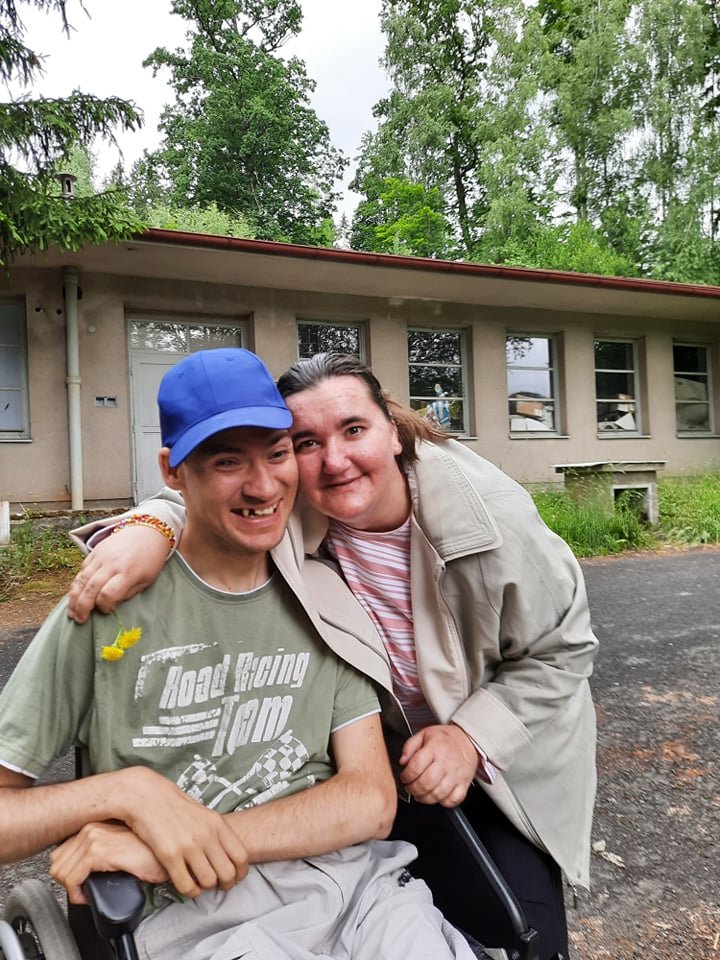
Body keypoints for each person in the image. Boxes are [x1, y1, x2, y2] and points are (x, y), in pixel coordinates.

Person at [69, 352, 599, 960]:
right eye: (306, 442)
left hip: (502, 757)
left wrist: (470, 738)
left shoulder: (494, 520)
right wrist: (151, 526)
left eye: (353, 429)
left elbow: (562, 650)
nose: (335, 460)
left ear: (392, 431)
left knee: (530, 936)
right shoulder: (295, 502)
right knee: (402, 899)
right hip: (382, 753)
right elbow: (209, 495)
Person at [0, 349, 478, 960]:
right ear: (173, 471)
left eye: (278, 454)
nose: (263, 486)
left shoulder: (326, 599)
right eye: (228, 462)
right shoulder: (105, 609)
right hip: (199, 920)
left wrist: (190, 840)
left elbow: (370, 799)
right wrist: (125, 793)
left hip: (358, 893)